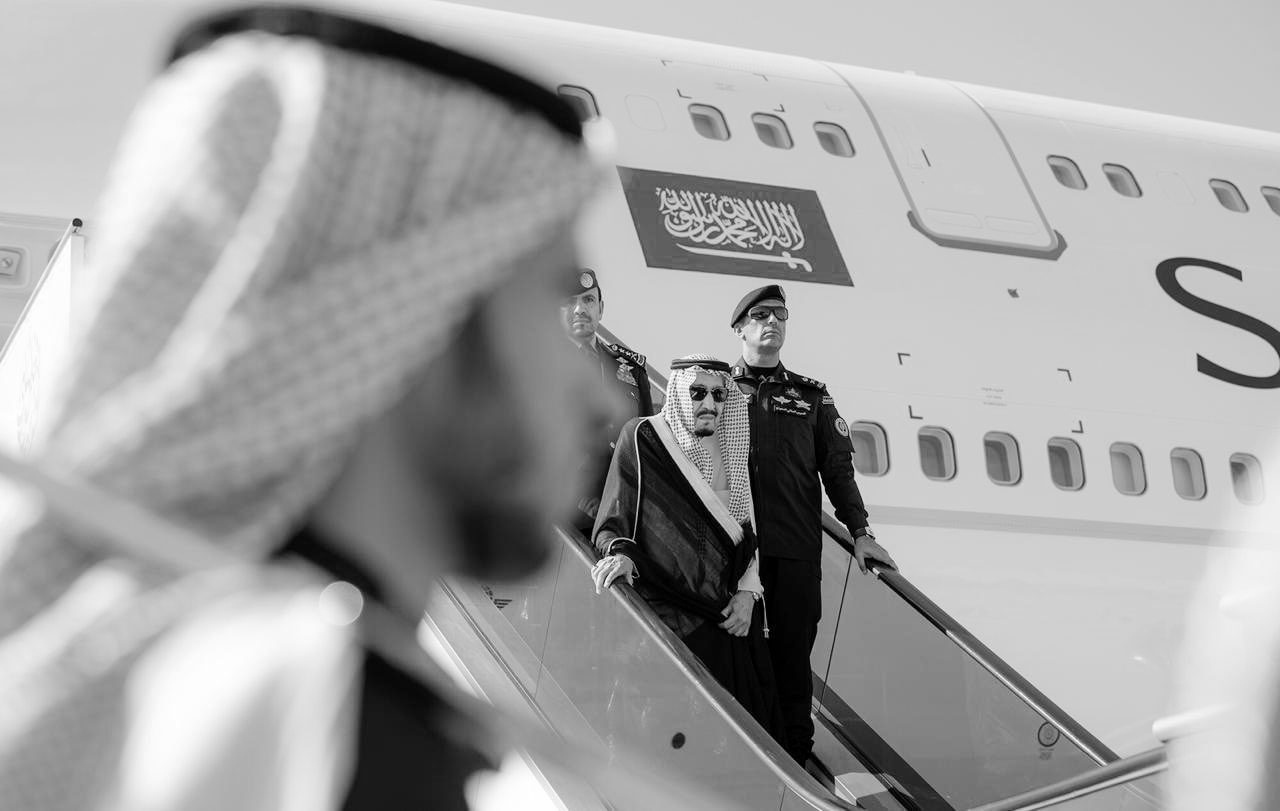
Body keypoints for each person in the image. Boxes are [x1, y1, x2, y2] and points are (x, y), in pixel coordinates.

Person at [0, 7, 610, 810]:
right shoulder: (328, 734)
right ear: (408, 317)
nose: (602, 395)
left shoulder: (155, 692)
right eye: (554, 301)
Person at [728, 284, 897, 766]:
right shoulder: (716, 391)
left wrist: (860, 532)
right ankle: (740, 759)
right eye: (761, 315)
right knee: (734, 655)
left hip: (795, 553)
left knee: (793, 662)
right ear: (740, 328)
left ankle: (796, 763)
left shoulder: (810, 396)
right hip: (735, 551)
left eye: (780, 315)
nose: (773, 322)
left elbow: (837, 471)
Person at [590, 354, 784, 741]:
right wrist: (622, 555)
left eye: (718, 395)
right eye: (697, 393)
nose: (709, 403)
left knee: (731, 731)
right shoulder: (644, 438)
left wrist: (749, 593)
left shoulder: (733, 448)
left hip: (725, 616)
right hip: (663, 610)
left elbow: (746, 531)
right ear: (678, 393)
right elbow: (617, 512)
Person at [562, 267, 654, 532]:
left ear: (600, 309)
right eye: (569, 301)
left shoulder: (631, 369)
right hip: (564, 513)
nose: (580, 309)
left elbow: (644, 445)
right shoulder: (537, 368)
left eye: (588, 300)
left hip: (619, 511)